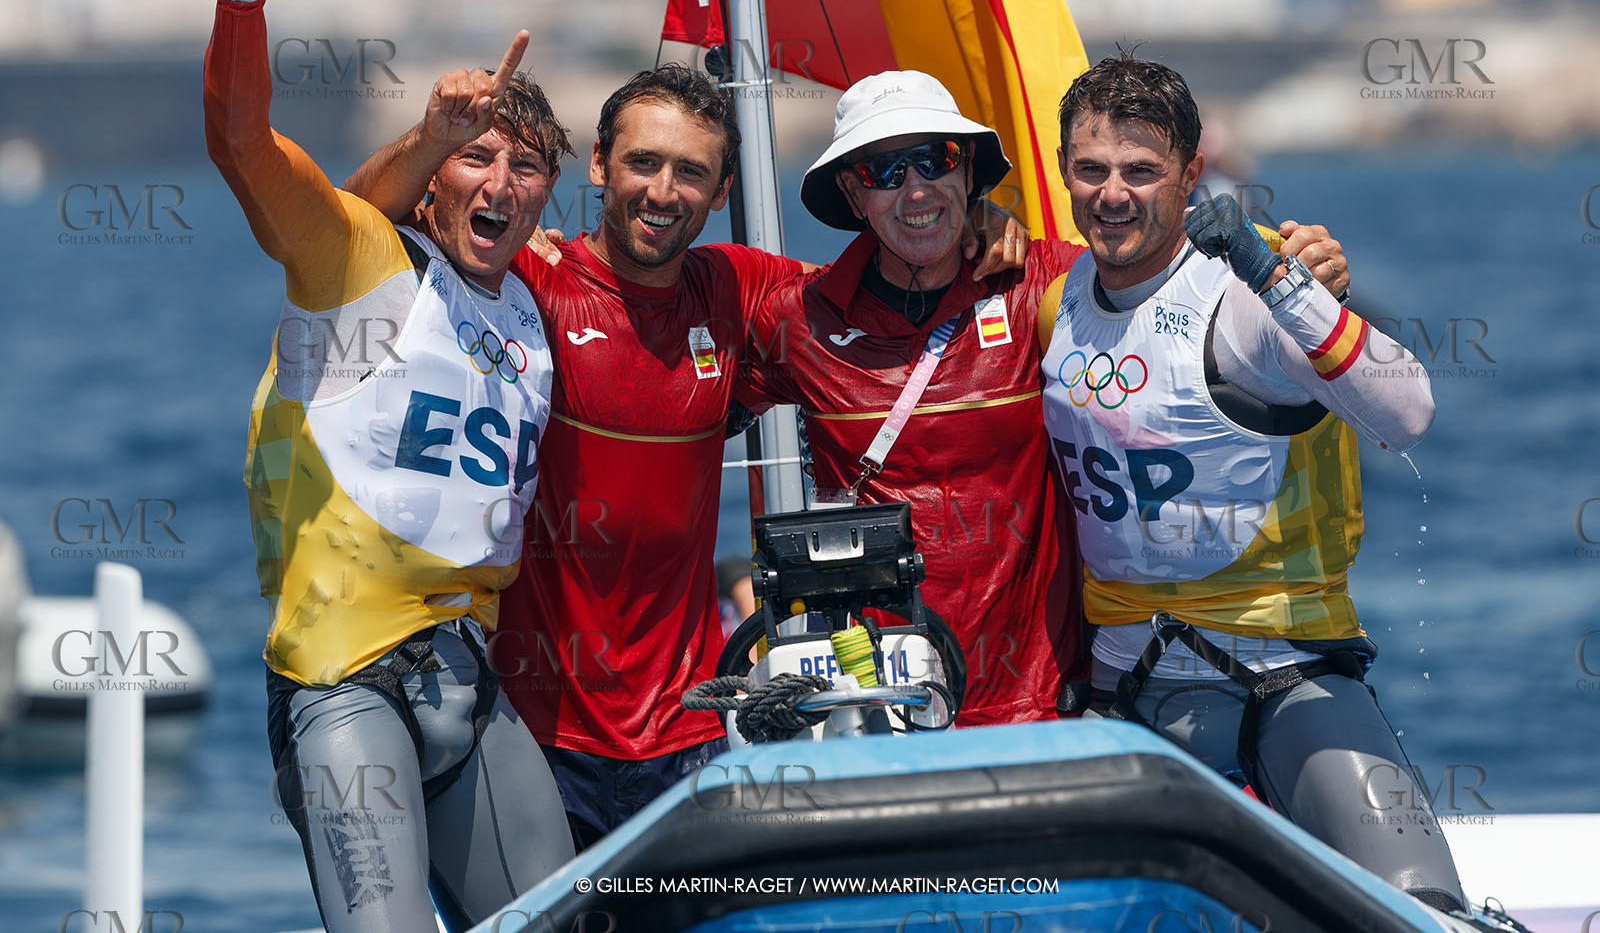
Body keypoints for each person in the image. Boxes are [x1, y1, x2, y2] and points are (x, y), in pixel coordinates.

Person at [344, 57, 1029, 850]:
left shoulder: (735, 290)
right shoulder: (527, 277)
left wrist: (974, 221)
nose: (663, 192)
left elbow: (885, 283)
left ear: (725, 188)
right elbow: (353, 227)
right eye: (643, 162)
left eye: (691, 172)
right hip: (535, 730)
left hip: (695, 729)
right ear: (600, 165)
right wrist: (431, 141)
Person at [737, 70, 1354, 727]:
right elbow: (680, 397)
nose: (915, 187)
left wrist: (1301, 272)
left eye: (935, 160)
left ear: (967, 170)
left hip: (1043, 701)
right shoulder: (797, 320)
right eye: (885, 171)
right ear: (854, 194)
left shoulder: (1052, 282)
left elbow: (1188, 281)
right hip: (874, 693)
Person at [204, 0, 572, 932]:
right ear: (430, 179)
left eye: (527, 164)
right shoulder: (362, 263)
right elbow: (241, 144)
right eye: (477, 155)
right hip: (343, 688)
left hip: (470, 689)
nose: (501, 179)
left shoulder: (540, 311)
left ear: (546, 194)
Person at [1039, 52, 1472, 915]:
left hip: (1291, 679)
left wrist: (1279, 277)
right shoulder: (1056, 304)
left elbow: (1408, 411)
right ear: (1064, 172)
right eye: (1091, 170)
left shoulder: (1249, 290)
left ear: (1193, 174)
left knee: (1420, 909)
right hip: (1126, 696)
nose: (1113, 194)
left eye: (1141, 171)